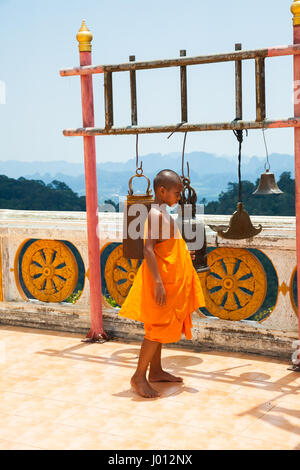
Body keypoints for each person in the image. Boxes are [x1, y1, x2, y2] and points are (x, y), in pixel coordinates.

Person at [119, 169, 205, 398]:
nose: (179, 196)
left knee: (160, 324)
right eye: (177, 193)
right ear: (162, 191)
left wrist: (185, 253)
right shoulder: (156, 215)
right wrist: (157, 283)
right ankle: (139, 376)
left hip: (170, 279)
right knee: (156, 327)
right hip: (161, 280)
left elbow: (167, 246)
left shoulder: (163, 212)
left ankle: (155, 371)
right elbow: (148, 249)